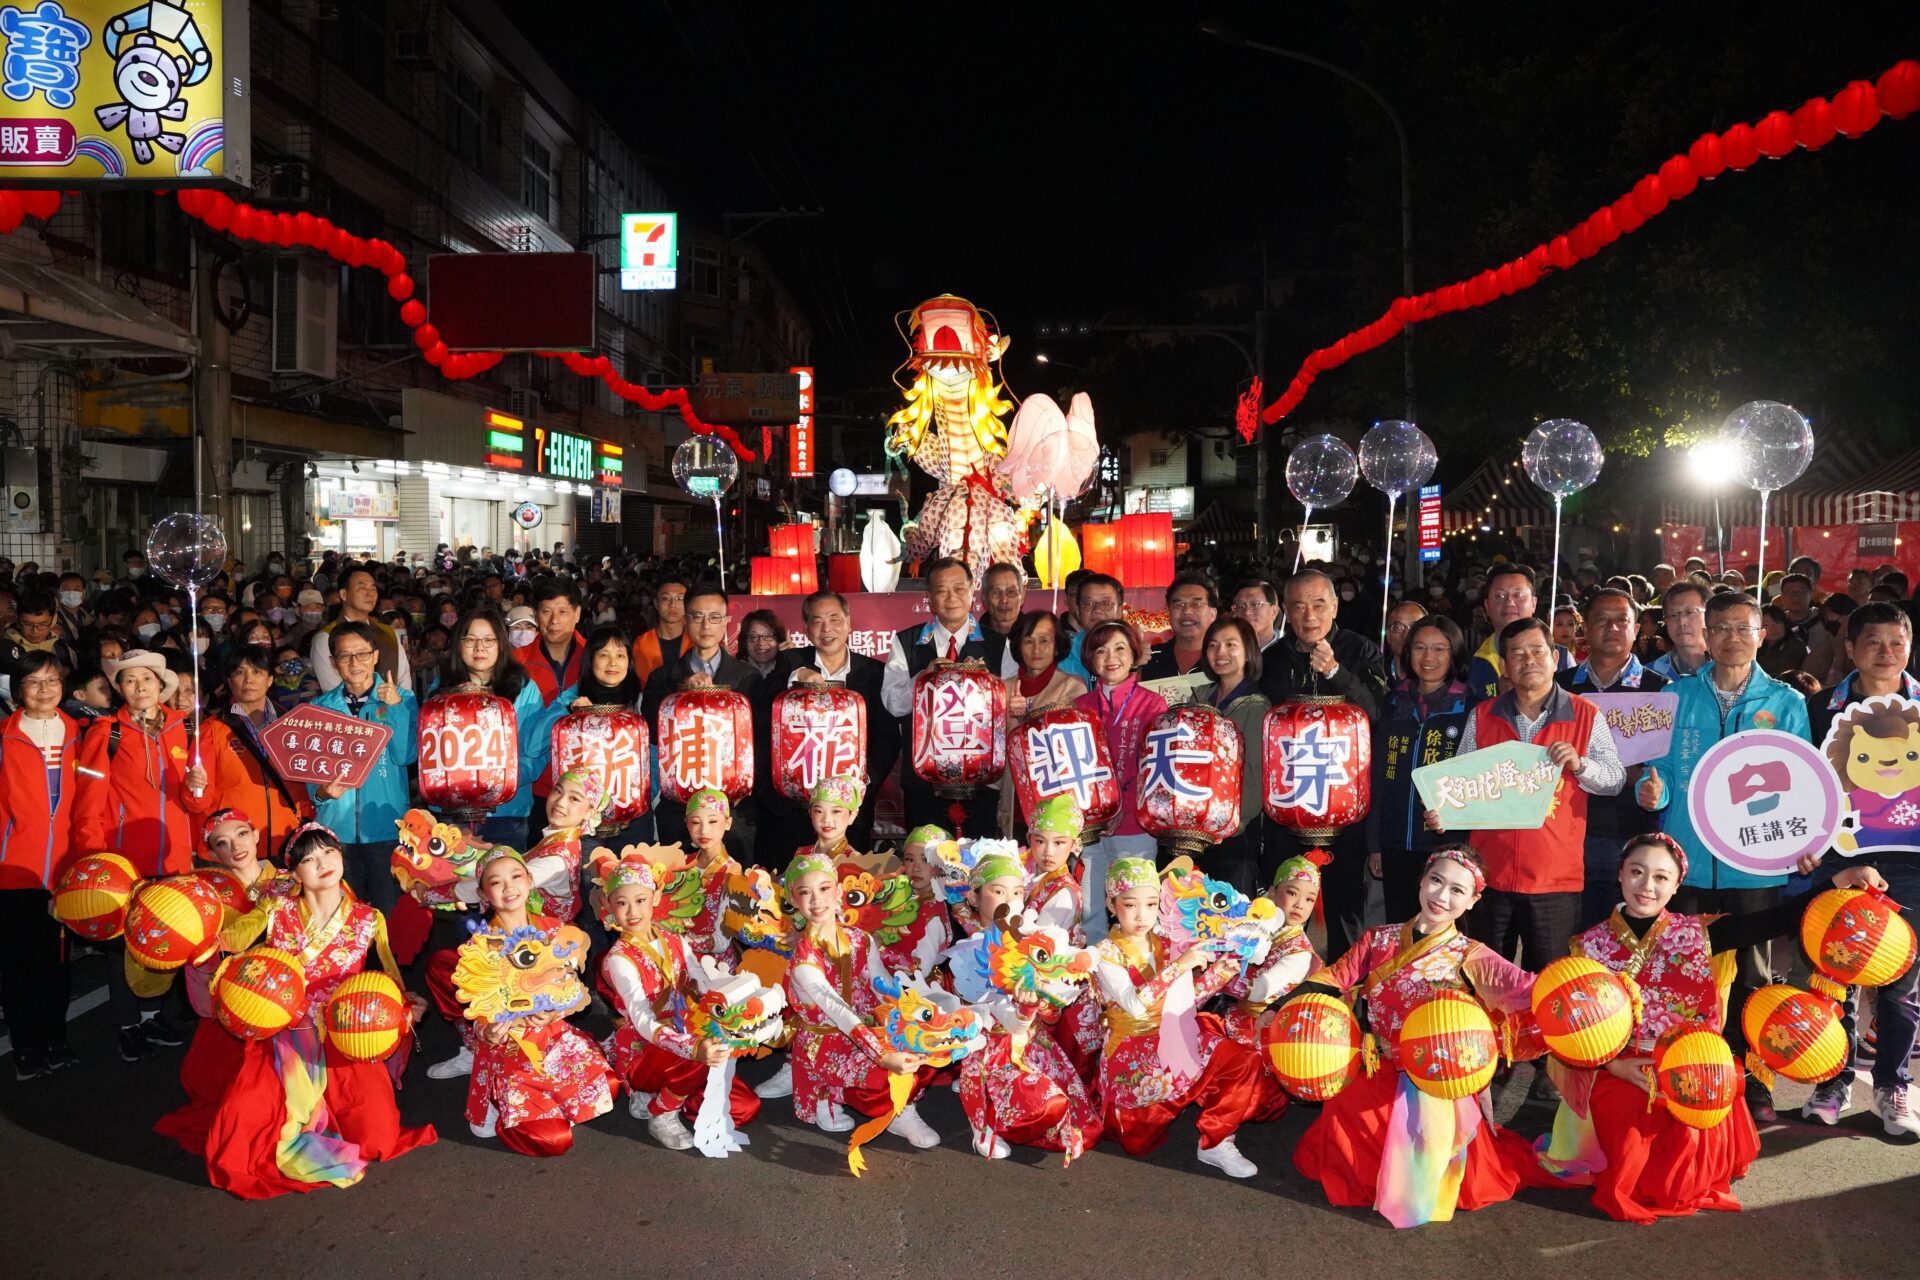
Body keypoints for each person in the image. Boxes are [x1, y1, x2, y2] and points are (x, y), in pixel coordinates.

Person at [1526, 834, 1886, 1222]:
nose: (1647, 886)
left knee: (1700, 1110)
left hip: (1694, 1063)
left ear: (1677, 884)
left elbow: (1776, 920)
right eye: (1637, 872)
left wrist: (1840, 878)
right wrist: (1612, 1065)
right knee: (1630, 1128)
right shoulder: (1588, 946)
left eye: (1661, 877)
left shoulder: (1697, 932)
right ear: (1620, 875)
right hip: (1620, 1065)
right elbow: (1569, 1022)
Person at [1289, 845, 1536, 1227]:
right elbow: (1332, 978)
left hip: (1439, 1075)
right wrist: (1281, 1008)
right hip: (1381, 1061)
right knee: (1346, 1096)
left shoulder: (1473, 955)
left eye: (1457, 890)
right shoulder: (1378, 939)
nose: (1441, 896)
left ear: (1473, 901)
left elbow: (1530, 991)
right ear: (1421, 881)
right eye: (1436, 881)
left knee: (1430, 1133)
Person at [1636, 590, 1810, 1124]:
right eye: (1722, 628)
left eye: (1744, 627)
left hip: (1753, 862)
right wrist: (1652, 792)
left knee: (1755, 976)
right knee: (1689, 972)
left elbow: (1803, 783)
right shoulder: (1674, 694)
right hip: (1686, 860)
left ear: (1762, 634)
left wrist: (1802, 842)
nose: (1733, 638)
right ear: (1705, 636)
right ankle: (1690, 1068)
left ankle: (1754, 1079)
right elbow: (1655, 771)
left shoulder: (1786, 703)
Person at [200, 823, 434, 1199]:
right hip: (283, 1028)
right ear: (293, 873)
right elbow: (234, 937)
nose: (322, 863)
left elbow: (391, 977)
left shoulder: (369, 918)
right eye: (308, 859)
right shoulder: (275, 909)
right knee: (242, 1140)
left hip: (346, 1028)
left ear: (341, 856)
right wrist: (197, 928)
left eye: (328, 852)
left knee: (377, 1137)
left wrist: (406, 1006)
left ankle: (332, 1113)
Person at [1431, 617, 1624, 977]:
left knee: (1549, 983)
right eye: (1517, 654)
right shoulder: (1482, 716)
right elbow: (1458, 785)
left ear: (1554, 658)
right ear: (1504, 667)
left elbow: (1614, 779)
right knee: (1486, 978)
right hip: (1489, 873)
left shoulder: (1585, 715)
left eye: (1537, 651)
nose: (1528, 660)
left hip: (1555, 878)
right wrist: (1444, 812)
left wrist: (1581, 766)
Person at [1801, 601, 1920, 1134]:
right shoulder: (1818, 709)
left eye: (1896, 642)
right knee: (1834, 977)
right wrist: (1816, 855)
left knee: (1900, 982)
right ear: (1849, 648)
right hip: (1843, 862)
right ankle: (1834, 1078)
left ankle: (1894, 1087)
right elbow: (1798, 788)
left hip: (1911, 864)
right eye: (1873, 642)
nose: (1886, 653)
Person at [73, 649, 211, 1059]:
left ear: (160, 685)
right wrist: (93, 858)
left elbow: (197, 806)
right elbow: (88, 802)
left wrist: (198, 787)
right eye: (129, 681)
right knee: (122, 948)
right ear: (119, 688)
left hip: (173, 859)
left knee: (162, 941)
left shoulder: (184, 730)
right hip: (123, 861)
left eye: (146, 680)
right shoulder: (106, 733)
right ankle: (127, 1023)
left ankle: (152, 1016)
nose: (139, 688)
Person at [1092, 857, 1266, 1178]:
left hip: (1180, 1039)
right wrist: (1180, 965)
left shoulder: (1167, 942)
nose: (1143, 915)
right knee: (1138, 1143)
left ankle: (1216, 1141)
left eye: (1151, 904)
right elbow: (1135, 1006)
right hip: (1134, 1059)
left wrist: (1221, 971)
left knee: (1242, 1062)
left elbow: (1186, 1001)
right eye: (1131, 905)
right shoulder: (1104, 953)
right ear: (1112, 905)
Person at [152, 811, 297, 1153]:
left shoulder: (292, 880)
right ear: (213, 854)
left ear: (257, 836)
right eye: (222, 843)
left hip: (289, 1004)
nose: (236, 846)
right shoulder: (203, 897)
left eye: (242, 834)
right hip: (232, 1009)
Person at [455, 849, 616, 1155]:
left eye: (516, 877)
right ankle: (499, 1104)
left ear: (529, 881)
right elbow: (477, 1010)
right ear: (482, 893)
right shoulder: (479, 946)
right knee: (553, 1141)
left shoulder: (555, 929)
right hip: (510, 1047)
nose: (508, 887)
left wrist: (557, 1010)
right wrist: (488, 1030)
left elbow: (574, 990)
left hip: (553, 1036)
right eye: (496, 882)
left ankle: (551, 1101)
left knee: (608, 1085)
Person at [597, 851, 762, 1151]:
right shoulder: (620, 959)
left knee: (744, 1107)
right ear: (609, 907)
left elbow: (700, 981)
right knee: (701, 1045)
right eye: (621, 903)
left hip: (687, 1039)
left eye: (640, 900)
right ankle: (661, 1113)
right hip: (645, 1050)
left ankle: (667, 1094)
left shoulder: (675, 939)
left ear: (656, 897)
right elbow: (643, 1019)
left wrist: (737, 1001)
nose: (632, 911)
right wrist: (694, 1046)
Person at [1260, 569, 1386, 951]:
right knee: (1282, 899)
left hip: (1341, 802)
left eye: (1318, 604)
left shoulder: (1359, 649)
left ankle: (1344, 990)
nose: (1309, 615)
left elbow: (1375, 711)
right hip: (1287, 803)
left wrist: (1334, 671)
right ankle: (1277, 984)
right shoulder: (1273, 659)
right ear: (1285, 611)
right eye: (1298, 606)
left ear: (1334, 605)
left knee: (1345, 902)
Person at [779, 850, 940, 1146]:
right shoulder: (805, 962)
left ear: (839, 891)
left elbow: (883, 987)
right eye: (805, 893)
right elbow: (841, 1013)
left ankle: (902, 1109)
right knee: (880, 1078)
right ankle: (830, 1094)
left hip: (869, 1027)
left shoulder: (860, 939)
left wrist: (920, 1020)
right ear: (793, 900)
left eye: (824, 889)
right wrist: (883, 1055)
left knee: (928, 1051)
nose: (816, 901)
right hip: (829, 1042)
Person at [880, 558, 1017, 838]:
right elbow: (893, 704)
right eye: (942, 590)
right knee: (926, 865)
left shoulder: (999, 644)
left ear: (972, 591)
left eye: (959, 588)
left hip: (982, 781)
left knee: (980, 863)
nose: (951, 597)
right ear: (929, 598)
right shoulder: (906, 641)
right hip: (924, 781)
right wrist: (922, 678)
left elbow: (1009, 706)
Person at [1556, 588, 1667, 924]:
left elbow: (1668, 765)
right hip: (1566, 832)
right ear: (1584, 630)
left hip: (1632, 833)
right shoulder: (1557, 688)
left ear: (1637, 629)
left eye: (1623, 620)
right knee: (1570, 937)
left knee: (1626, 938)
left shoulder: (1661, 689)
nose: (1613, 628)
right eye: (1601, 620)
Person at [764, 589, 898, 857]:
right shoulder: (788, 663)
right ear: (806, 628)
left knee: (849, 878)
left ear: (848, 623)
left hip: (849, 806)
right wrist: (796, 677)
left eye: (835, 619)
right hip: (797, 805)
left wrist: (862, 782)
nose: (827, 629)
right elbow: (765, 705)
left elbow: (887, 737)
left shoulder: (874, 672)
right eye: (817, 621)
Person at [0, 651, 81, 1079]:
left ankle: (54, 1039)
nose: (45, 689)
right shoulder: (4, 737)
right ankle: (25, 1044)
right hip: (14, 871)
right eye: (33, 682)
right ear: (18, 692)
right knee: (18, 963)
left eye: (52, 680)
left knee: (57, 962)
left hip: (67, 870)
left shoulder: (80, 734)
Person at [1367, 616, 1475, 923]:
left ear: (1454, 654)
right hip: (1396, 840)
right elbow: (1377, 777)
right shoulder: (1392, 704)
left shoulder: (1471, 708)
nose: (1429, 658)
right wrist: (1375, 844)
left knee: (1445, 932)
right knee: (1401, 928)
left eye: (1439, 649)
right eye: (1420, 648)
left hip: (1448, 846)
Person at [642, 584, 762, 856]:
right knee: (679, 885)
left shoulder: (747, 677)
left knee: (736, 886)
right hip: (680, 807)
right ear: (685, 621)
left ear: (727, 622)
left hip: (733, 807)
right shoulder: (663, 677)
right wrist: (683, 692)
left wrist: (747, 786)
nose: (706, 625)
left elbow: (760, 738)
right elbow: (652, 731)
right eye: (697, 617)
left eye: (714, 617)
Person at [307, 623, 417, 915]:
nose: (354, 663)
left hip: (386, 826)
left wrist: (394, 707)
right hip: (336, 832)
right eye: (345, 656)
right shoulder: (320, 708)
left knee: (390, 915)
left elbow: (406, 755)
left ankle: (389, 963)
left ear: (376, 656)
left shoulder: (402, 699)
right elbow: (310, 768)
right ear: (333, 662)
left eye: (362, 654)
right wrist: (320, 792)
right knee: (342, 914)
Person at [1073, 620, 1167, 941]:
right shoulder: (1080, 708)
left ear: (1134, 655)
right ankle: (1096, 976)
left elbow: (1153, 772)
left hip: (1135, 826)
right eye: (1101, 650)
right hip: (1090, 826)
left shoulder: (1153, 705)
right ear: (1090, 658)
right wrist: (1098, 815)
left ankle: (1138, 974)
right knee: (1090, 908)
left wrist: (1119, 811)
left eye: (1119, 648)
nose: (1110, 657)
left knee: (1136, 908)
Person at [441, 607, 563, 846]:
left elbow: (536, 751)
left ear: (501, 644)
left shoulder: (522, 687)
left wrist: (506, 781)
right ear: (458, 644)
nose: (479, 648)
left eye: (488, 640)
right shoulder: (442, 688)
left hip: (507, 811)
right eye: (470, 639)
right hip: (454, 814)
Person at [1220, 855, 1321, 1123]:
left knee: (1237, 1066)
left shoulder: (1299, 951)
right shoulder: (1261, 926)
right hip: (1237, 1015)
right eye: (1292, 893)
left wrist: (1217, 973)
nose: (1300, 904)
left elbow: (1260, 990)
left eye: (1310, 899)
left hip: (1263, 1029)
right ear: (1273, 892)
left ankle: (1222, 1130)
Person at [198, 646, 311, 855]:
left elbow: (303, 784)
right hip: (235, 851)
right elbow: (200, 799)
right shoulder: (212, 729)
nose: (248, 679)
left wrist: (304, 821)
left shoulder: (292, 725)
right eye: (240, 672)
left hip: (287, 842)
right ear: (230, 682)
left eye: (257, 672)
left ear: (269, 679)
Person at [1195, 616, 1270, 895]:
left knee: (1231, 918)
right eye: (1213, 645)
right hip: (1196, 829)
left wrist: (1232, 825)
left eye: (1230, 644)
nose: (1220, 653)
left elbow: (1254, 774)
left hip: (1234, 833)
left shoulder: (1257, 705)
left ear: (1249, 652)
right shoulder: (1199, 698)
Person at [1465, 564, 1570, 699]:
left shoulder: (1562, 658)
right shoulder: (1473, 662)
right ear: (1487, 605)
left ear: (1534, 603)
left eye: (1518, 594)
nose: (1510, 602)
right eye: (1500, 596)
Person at [310, 563, 411, 692]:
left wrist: (397, 706)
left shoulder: (388, 632)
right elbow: (333, 691)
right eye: (362, 588)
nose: (370, 594)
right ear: (343, 594)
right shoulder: (326, 637)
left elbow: (404, 678)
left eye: (373, 588)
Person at [1140, 574, 1219, 681]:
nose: (1187, 611)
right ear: (1168, 613)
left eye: (1196, 604)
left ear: (1212, 614)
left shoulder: (1222, 659)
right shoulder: (1148, 658)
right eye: (1179, 605)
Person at [630, 572, 690, 685]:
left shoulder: (696, 642)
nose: (672, 604)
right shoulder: (641, 644)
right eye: (666, 598)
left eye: (679, 598)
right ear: (656, 603)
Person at [1648, 580, 1710, 680]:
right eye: (1673, 615)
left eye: (1690, 612)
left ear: (1709, 616)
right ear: (1665, 621)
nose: (1682, 622)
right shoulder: (1651, 675)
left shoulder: (1731, 667)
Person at [1228, 579, 1283, 658]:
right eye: (1240, 605)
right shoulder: (1227, 653)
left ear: (1273, 611)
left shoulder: (1287, 652)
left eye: (1255, 604)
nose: (1247, 612)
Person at [1381, 599, 1428, 683]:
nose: (1406, 635)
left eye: (1414, 627)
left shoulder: (1438, 677)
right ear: (1388, 635)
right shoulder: (1376, 674)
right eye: (1398, 627)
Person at [1756, 603, 1809, 677]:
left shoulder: (1795, 646)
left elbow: (1780, 669)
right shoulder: (1756, 647)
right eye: (1766, 624)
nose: (1774, 628)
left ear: (1784, 623)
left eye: (1778, 623)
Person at [980, 562, 1026, 643]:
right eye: (996, 593)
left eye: (1011, 592)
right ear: (984, 598)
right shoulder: (972, 640)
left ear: (1022, 596)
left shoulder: (1033, 639)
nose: (1004, 600)